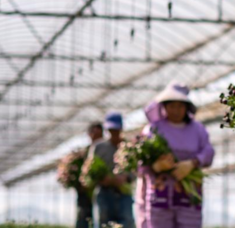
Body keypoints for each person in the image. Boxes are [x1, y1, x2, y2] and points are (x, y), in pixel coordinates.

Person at [142, 82, 215, 228]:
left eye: (180, 106)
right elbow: (141, 163)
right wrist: (156, 166)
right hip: (161, 197)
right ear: (164, 107)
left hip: (189, 196)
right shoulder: (154, 129)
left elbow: (209, 152)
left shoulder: (198, 129)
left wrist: (193, 163)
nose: (176, 110)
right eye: (171, 106)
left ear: (187, 107)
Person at [88, 112, 135, 228]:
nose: (114, 133)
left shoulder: (129, 146)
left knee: (127, 222)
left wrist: (126, 177)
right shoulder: (99, 147)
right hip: (104, 192)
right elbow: (90, 169)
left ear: (121, 129)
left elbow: (136, 169)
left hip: (123, 193)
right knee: (104, 223)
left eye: (116, 129)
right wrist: (102, 179)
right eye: (111, 130)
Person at [76, 123, 102, 228]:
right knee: (83, 218)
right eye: (94, 134)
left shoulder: (104, 150)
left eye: (99, 134)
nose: (96, 137)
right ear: (89, 135)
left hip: (101, 191)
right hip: (85, 195)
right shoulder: (84, 153)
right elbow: (78, 173)